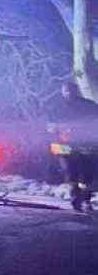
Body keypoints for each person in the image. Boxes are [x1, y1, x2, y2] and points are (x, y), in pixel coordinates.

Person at [50, 81, 98, 212]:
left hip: (84, 144)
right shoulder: (56, 107)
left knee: (86, 173)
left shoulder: (89, 105)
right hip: (64, 146)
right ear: (62, 92)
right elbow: (50, 127)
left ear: (76, 91)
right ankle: (77, 198)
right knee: (72, 173)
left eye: (70, 90)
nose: (68, 93)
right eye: (66, 91)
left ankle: (84, 198)